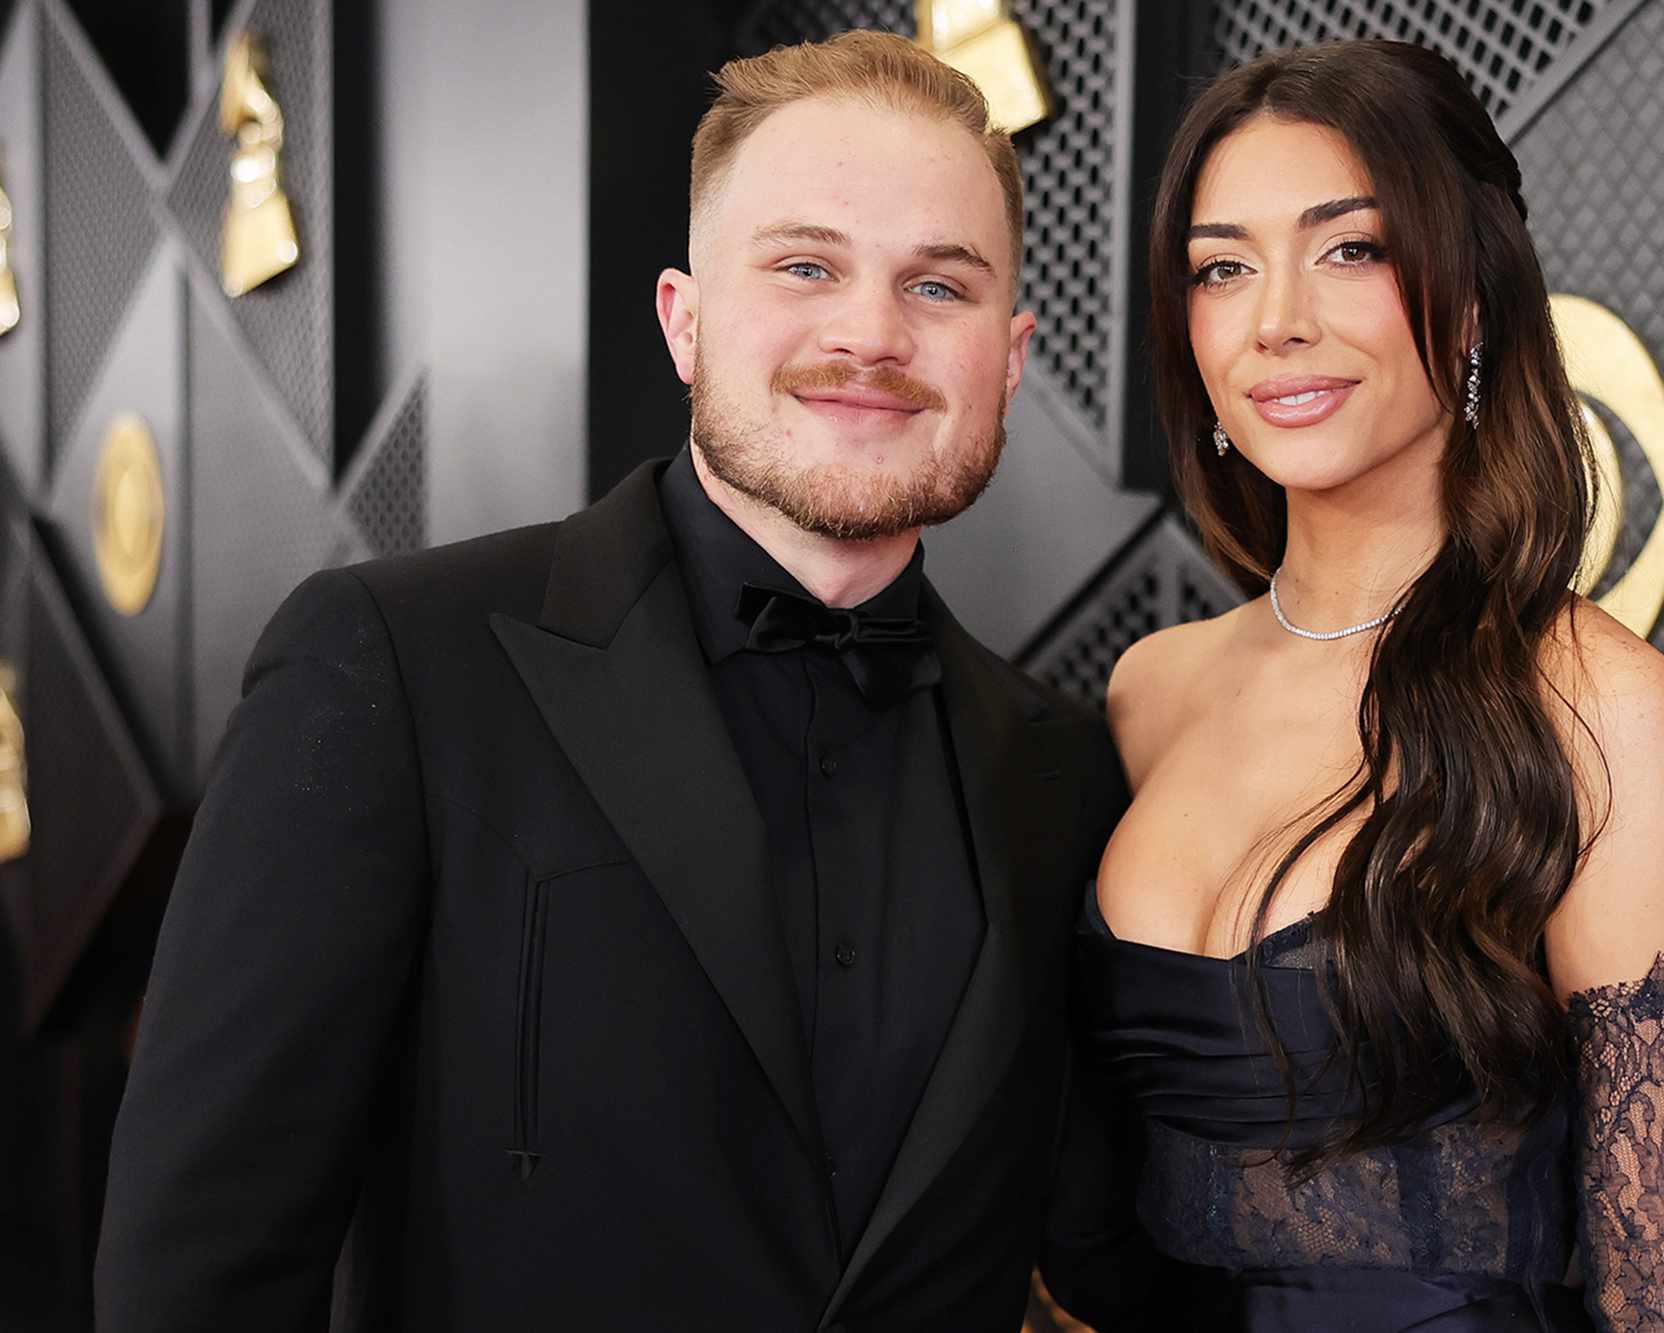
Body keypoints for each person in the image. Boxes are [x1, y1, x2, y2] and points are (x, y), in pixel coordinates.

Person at [95, 31, 1123, 1332]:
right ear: (684, 323)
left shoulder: (1061, 767)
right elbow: (199, 1269)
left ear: (1014, 354)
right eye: (806, 265)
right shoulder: (393, 665)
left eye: (940, 287)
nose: (871, 332)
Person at [1042, 41, 1664, 1332]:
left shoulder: (1597, 704)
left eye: (1348, 248)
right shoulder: (1151, 691)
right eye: (1220, 267)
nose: (1277, 319)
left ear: (1470, 299)